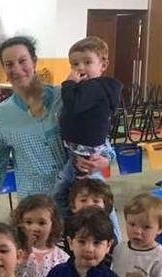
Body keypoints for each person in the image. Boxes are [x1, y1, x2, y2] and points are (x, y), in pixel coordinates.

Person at [0, 36, 112, 219]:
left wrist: (105, 158)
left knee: (95, 246)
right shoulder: (3, 114)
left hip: (85, 203)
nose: (16, 69)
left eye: (22, 61)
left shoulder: (65, 96)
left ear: (34, 61)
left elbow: (99, 134)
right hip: (37, 213)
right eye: (9, 64)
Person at [52, 36, 121, 216]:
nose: (80, 68)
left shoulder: (94, 88)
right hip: (79, 147)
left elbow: (73, 104)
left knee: (69, 190)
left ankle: (79, 216)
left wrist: (68, 84)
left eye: (87, 62)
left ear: (103, 65)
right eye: (75, 64)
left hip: (82, 150)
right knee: (81, 190)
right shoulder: (91, 88)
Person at [12, 194, 69, 277]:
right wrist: (26, 253)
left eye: (42, 223)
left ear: (53, 225)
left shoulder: (61, 258)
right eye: (28, 222)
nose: (34, 228)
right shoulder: (13, 253)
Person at [67, 178, 121, 242]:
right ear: (73, 206)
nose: (89, 205)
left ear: (105, 206)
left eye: (96, 201)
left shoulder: (107, 229)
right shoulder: (66, 228)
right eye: (83, 200)